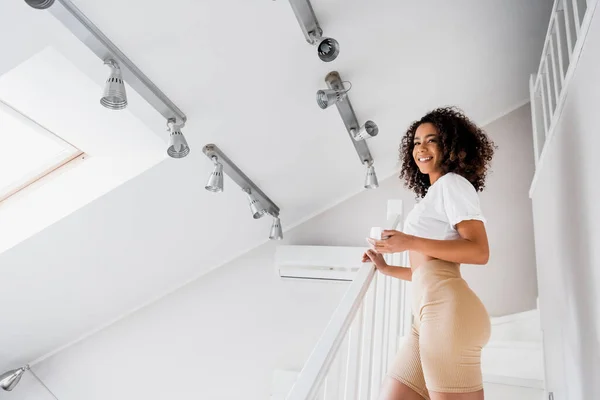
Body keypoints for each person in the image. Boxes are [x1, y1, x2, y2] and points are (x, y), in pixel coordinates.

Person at [363, 106, 496, 400]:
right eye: (416, 142)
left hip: (448, 314)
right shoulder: (433, 195)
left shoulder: (453, 184)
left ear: (450, 146)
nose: (421, 148)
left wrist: (409, 241)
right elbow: (428, 271)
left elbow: (479, 251)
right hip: (427, 315)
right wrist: (387, 268)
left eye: (432, 140)